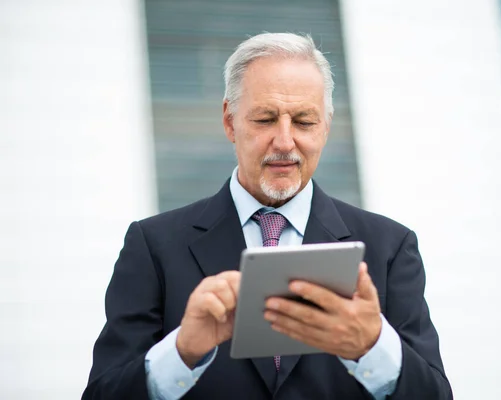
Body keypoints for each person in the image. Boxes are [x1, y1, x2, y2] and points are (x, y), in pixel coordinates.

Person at [83, 32, 452, 400]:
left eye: (305, 121)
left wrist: (374, 348)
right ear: (230, 122)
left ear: (326, 127)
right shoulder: (153, 247)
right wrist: (180, 353)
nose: (285, 142)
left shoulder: (390, 247)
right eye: (265, 119)